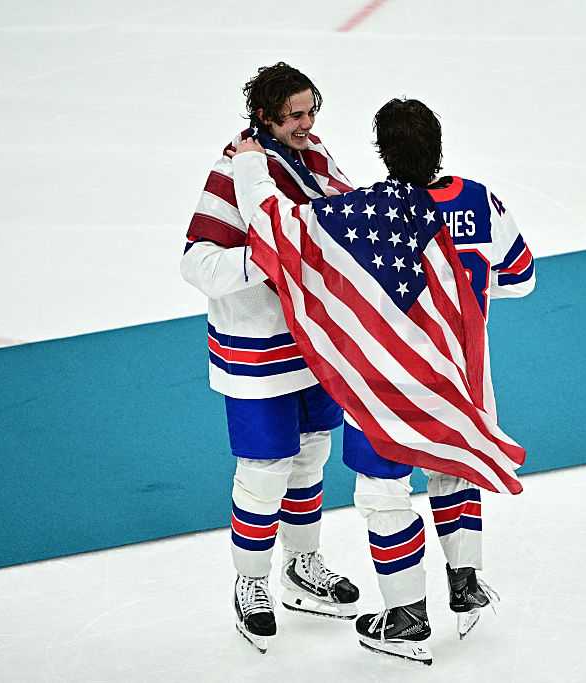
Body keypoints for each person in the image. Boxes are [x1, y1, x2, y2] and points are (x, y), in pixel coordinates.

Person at [229, 98, 536, 665]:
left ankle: (406, 617)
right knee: (454, 468)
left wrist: (248, 163)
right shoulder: (480, 200)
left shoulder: (364, 213)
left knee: (382, 492)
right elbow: (520, 277)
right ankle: (465, 581)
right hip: (463, 377)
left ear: (384, 152)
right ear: (437, 144)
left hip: (386, 386)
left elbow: (276, 226)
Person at [181, 62, 360, 655]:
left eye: (312, 112)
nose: (307, 124)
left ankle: (302, 564)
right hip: (256, 349)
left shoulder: (313, 159)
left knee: (311, 456)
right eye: (295, 116)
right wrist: (267, 259)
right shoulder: (233, 171)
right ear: (264, 116)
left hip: (313, 342)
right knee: (263, 472)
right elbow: (196, 264)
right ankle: (251, 582)